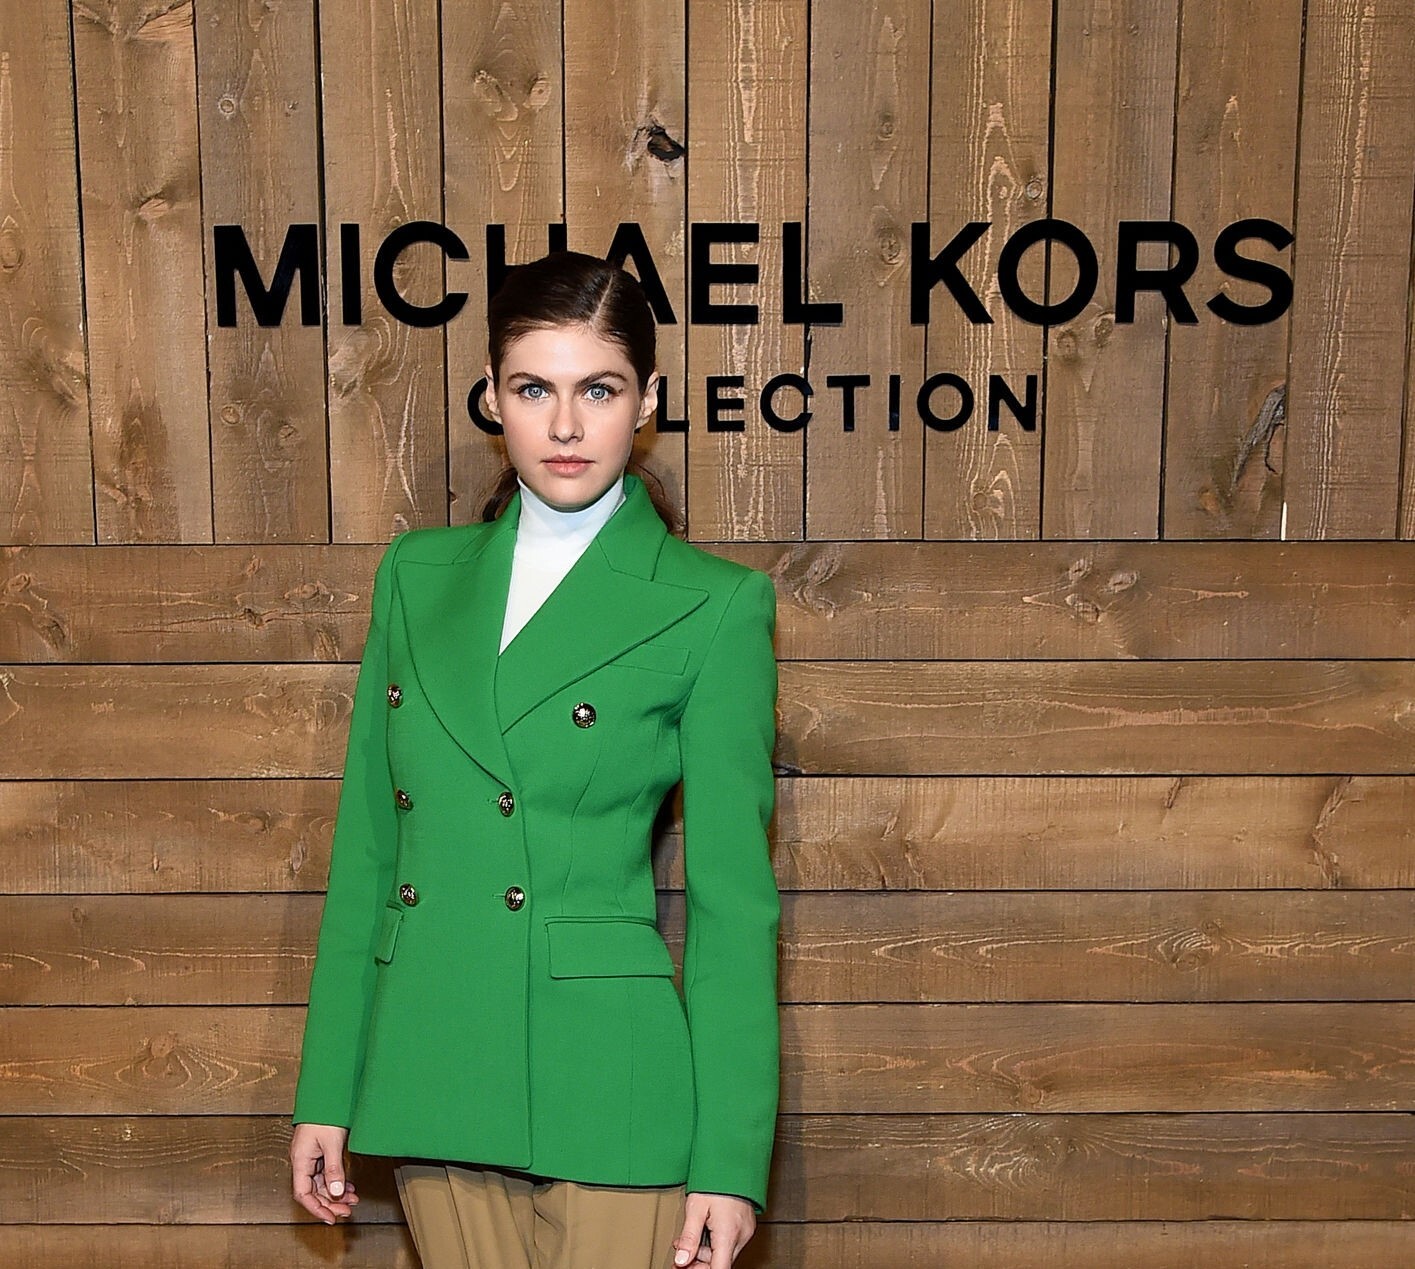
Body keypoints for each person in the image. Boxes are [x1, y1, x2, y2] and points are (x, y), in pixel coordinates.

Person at [287, 251, 782, 1269]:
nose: (564, 425)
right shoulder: (415, 577)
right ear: (491, 397)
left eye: (597, 390)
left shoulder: (715, 605)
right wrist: (326, 1088)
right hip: (436, 1052)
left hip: (613, 1072)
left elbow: (734, 910)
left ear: (646, 400)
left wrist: (730, 1162)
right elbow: (369, 853)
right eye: (532, 389)